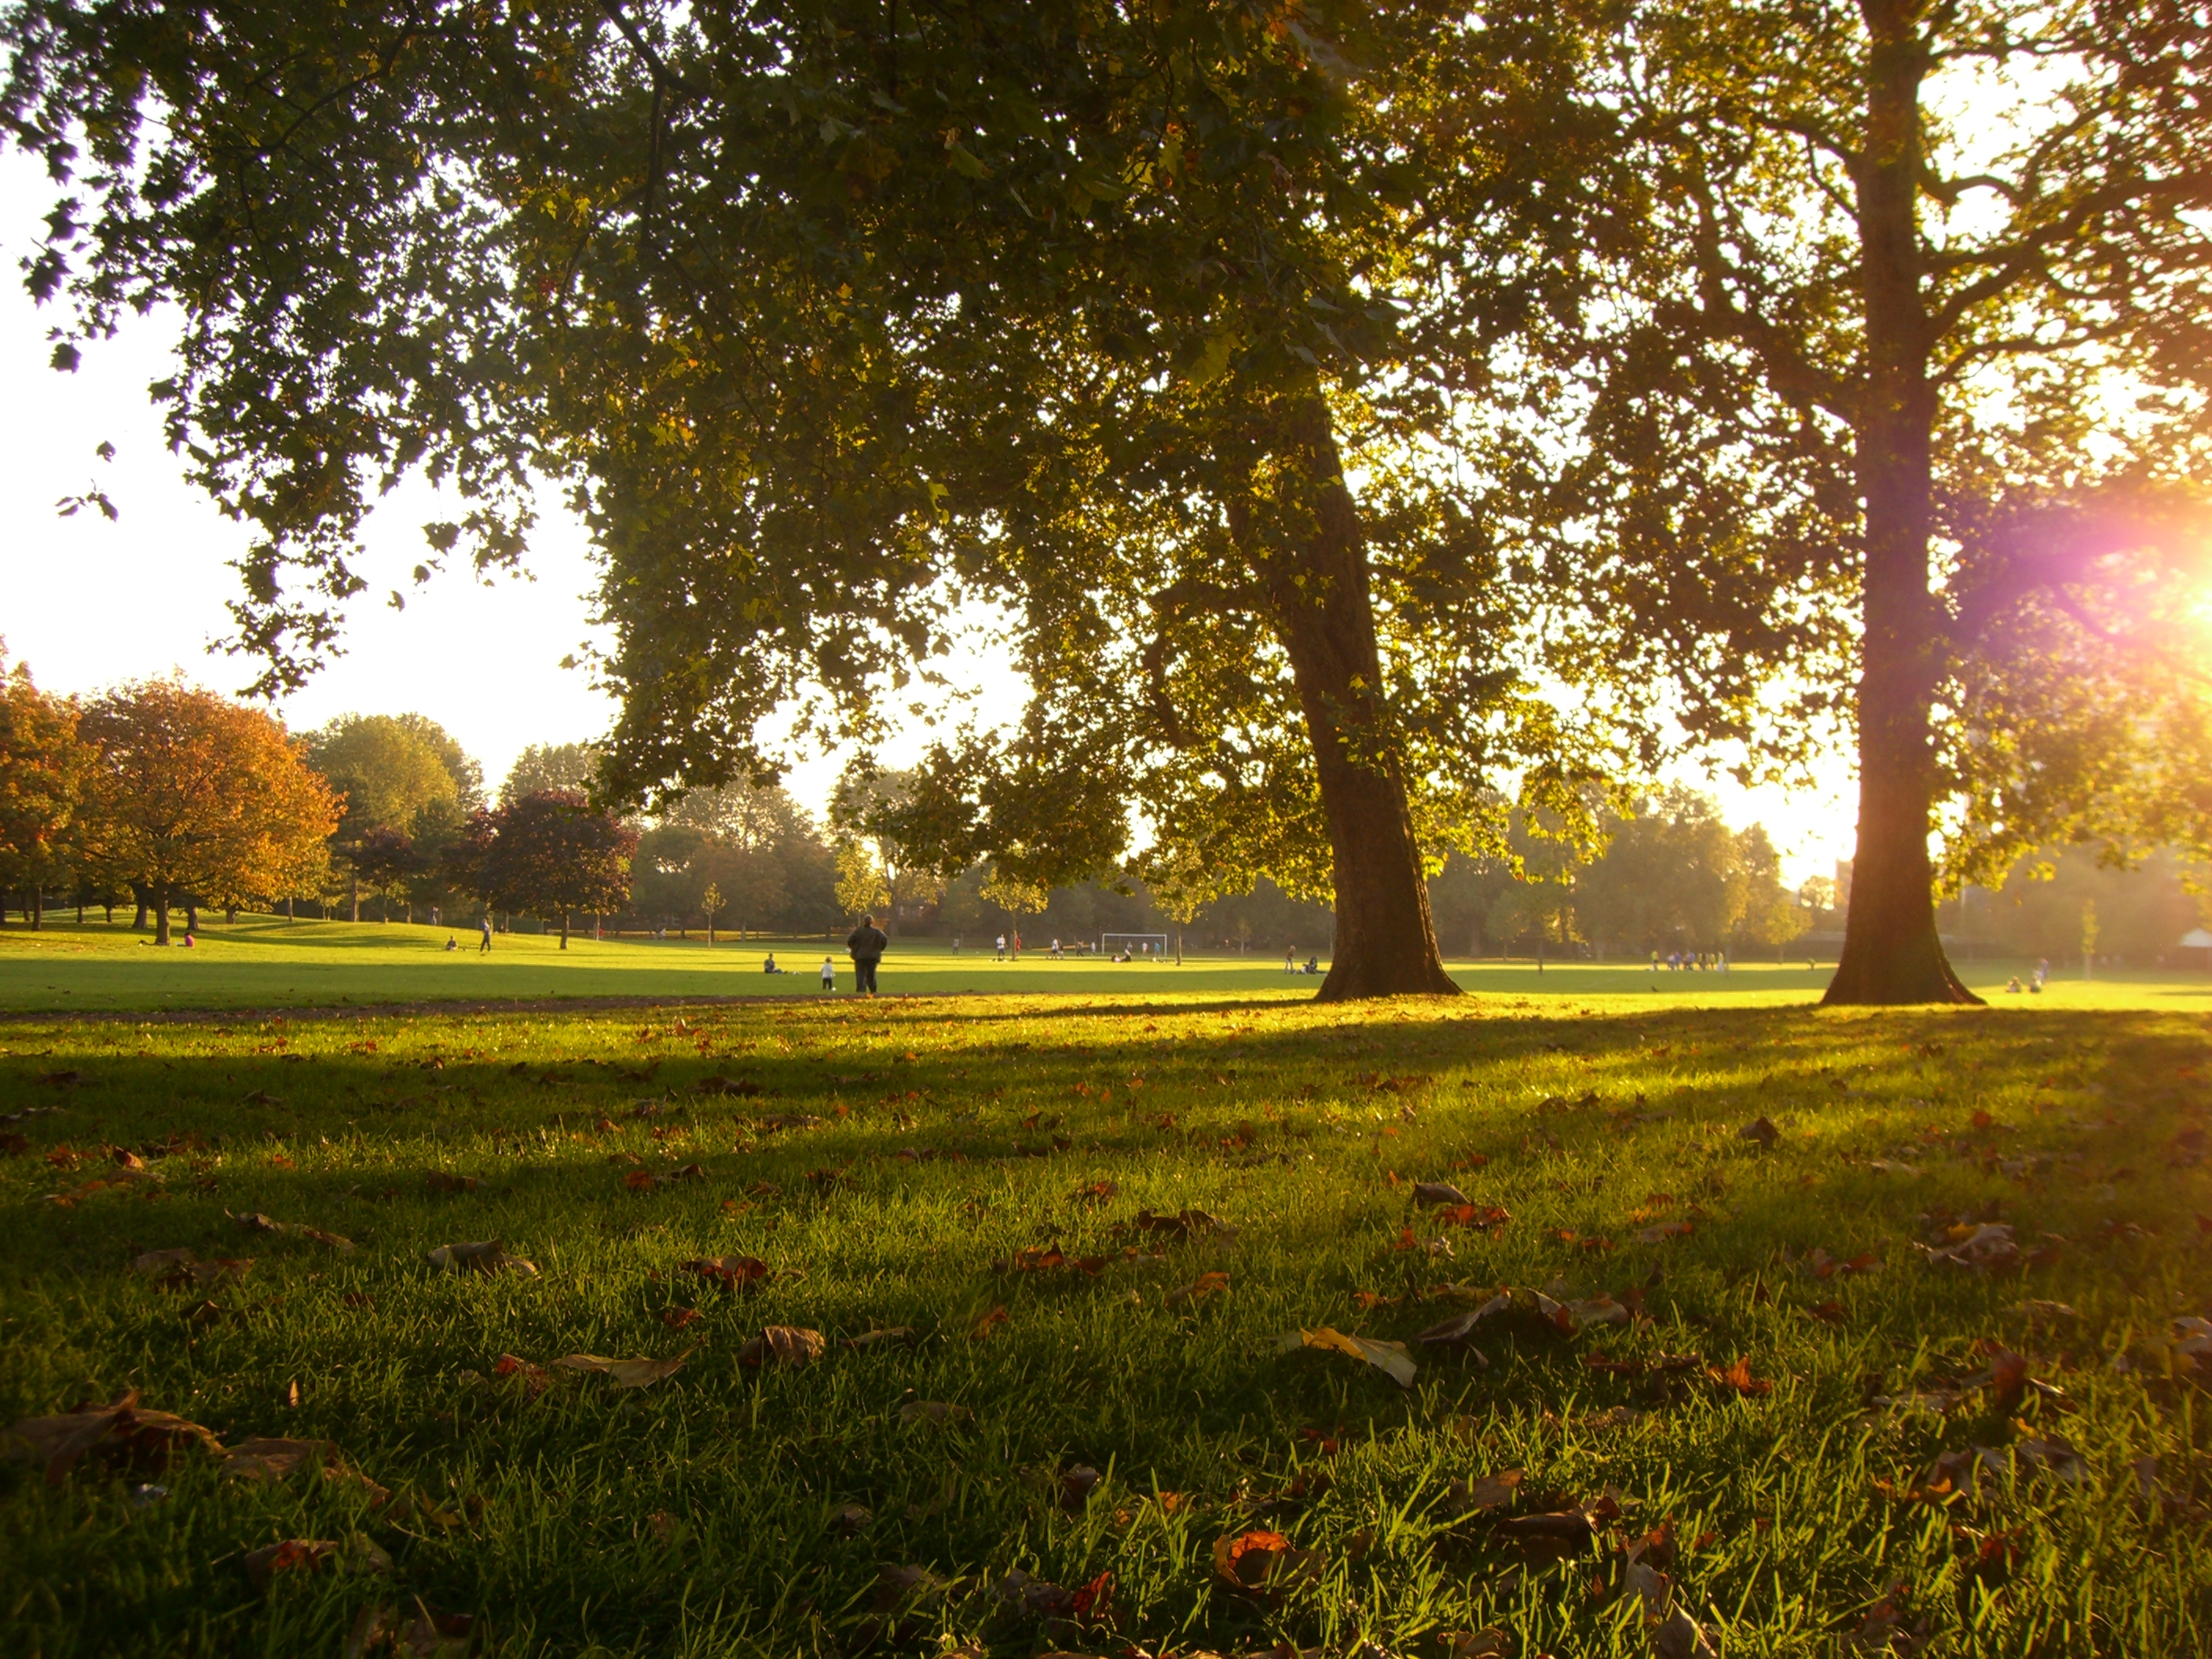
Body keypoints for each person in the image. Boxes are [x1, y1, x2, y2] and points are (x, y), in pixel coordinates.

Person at [848, 913, 888, 994]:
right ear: (872, 922)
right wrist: (879, 949)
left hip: (860, 956)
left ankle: (861, 990)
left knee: (860, 974)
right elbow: (884, 939)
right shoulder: (877, 932)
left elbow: (850, 940)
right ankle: (873, 990)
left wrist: (855, 949)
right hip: (872, 956)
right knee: (871, 974)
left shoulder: (858, 931)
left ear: (864, 921)